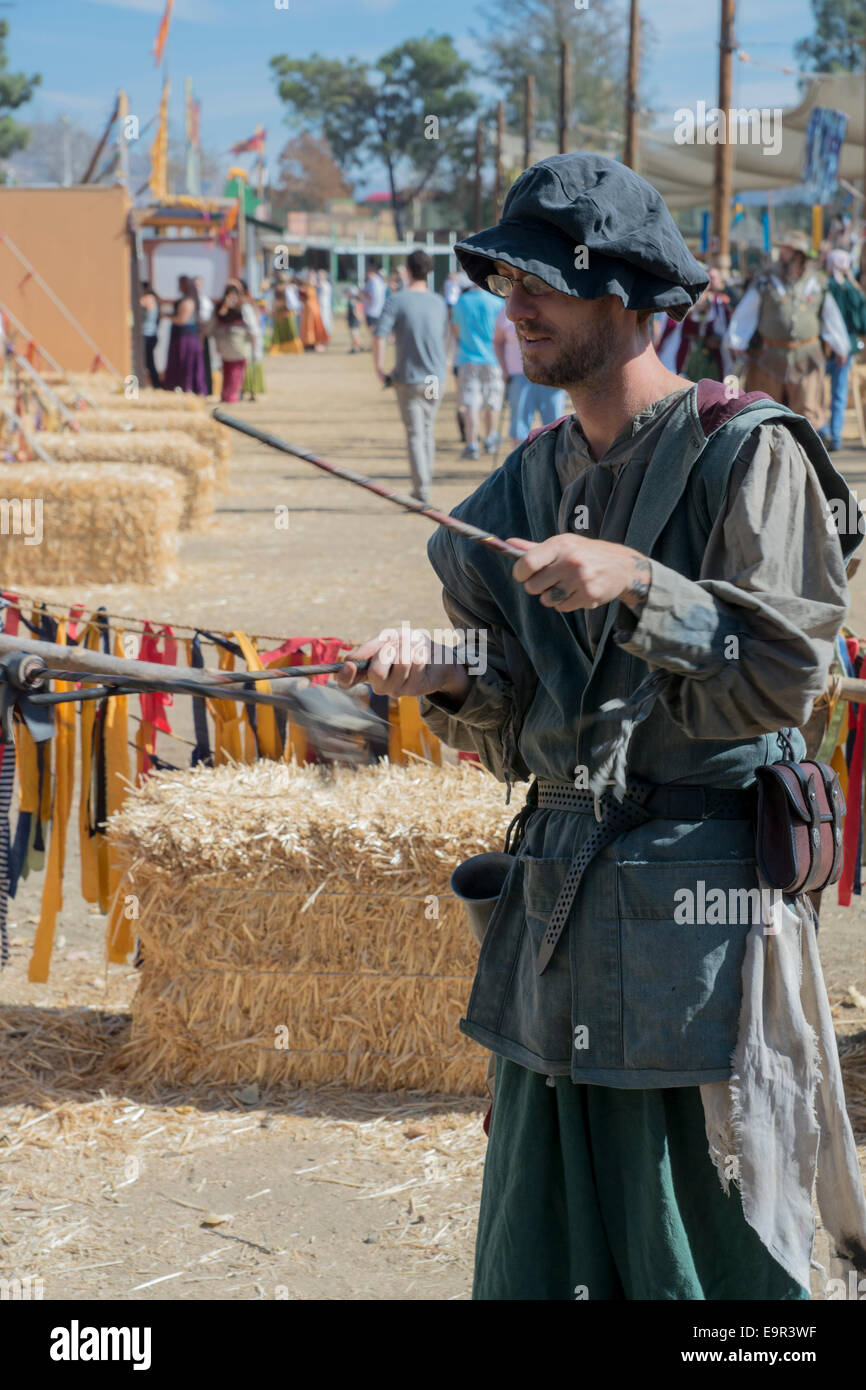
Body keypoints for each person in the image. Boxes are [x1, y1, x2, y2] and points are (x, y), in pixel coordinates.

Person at [337, 152, 866, 1302]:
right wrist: (444, 672)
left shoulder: (746, 452)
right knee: (543, 1257)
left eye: (538, 283)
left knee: (706, 1266)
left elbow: (781, 678)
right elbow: (518, 714)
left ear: (623, 296)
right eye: (501, 282)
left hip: (699, 939)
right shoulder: (517, 488)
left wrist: (638, 577)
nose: (509, 307)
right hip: (555, 931)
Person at [723, 230, 849, 430]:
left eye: (786, 250)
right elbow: (747, 311)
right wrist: (737, 341)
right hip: (769, 357)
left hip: (807, 359)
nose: (780, 254)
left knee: (806, 416)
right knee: (766, 413)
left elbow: (830, 316)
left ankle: (803, 457)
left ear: (799, 255)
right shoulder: (765, 280)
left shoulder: (817, 282)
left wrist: (840, 346)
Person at [373, 248, 448, 505]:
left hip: (409, 376)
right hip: (435, 375)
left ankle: (422, 488)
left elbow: (379, 335)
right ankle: (424, 481)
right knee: (427, 429)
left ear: (407, 270)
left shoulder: (397, 300)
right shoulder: (439, 301)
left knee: (415, 433)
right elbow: (444, 337)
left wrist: (379, 369)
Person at [494, 302, 566, 447]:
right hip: (519, 375)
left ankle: (556, 466)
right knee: (519, 424)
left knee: (556, 424)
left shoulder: (554, 307)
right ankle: (520, 466)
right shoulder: (507, 310)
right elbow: (498, 342)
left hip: (552, 375)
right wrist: (504, 369)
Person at [451, 276, 504, 459]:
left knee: (471, 403)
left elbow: (456, 329)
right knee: (492, 400)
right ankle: (490, 438)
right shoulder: (497, 301)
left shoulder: (461, 301)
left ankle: (472, 443)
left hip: (467, 358)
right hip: (493, 358)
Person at [822, 248, 866, 451]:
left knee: (818, 391)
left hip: (825, 347)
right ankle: (834, 435)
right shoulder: (852, 290)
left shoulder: (825, 286)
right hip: (843, 347)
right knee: (838, 392)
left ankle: (824, 431)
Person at [206, 283, 254, 403]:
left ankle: (226, 395)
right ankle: (231, 395)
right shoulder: (243, 307)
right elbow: (252, 326)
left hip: (222, 341)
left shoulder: (220, 306)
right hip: (237, 341)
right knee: (236, 369)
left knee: (228, 368)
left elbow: (212, 324)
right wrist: (254, 341)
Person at [163, 274, 207, 395]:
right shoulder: (189, 299)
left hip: (185, 338)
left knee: (185, 365)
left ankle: (187, 389)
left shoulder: (188, 301)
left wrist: (167, 316)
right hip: (184, 337)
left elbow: (182, 319)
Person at [268, 273, 303, 355]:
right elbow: (291, 301)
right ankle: (292, 349)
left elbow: (271, 301)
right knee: (290, 332)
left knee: (278, 333)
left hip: (278, 313)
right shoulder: (288, 289)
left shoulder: (275, 289)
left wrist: (271, 309)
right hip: (286, 313)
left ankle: (277, 349)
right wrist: (295, 309)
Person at [299, 271, 329, 352]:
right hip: (309, 308)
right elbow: (302, 297)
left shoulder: (315, 286)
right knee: (309, 325)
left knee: (314, 325)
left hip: (313, 308)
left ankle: (315, 342)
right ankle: (309, 342)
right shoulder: (307, 287)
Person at [195, 275, 214, 397]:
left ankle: (205, 389)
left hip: (202, 334)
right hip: (193, 334)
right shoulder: (192, 299)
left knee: (204, 363)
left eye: (197, 284)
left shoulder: (204, 301)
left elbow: (207, 319)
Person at [139, 281, 161, 390]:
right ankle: (156, 384)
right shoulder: (153, 298)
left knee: (148, 362)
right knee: (148, 362)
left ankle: (156, 385)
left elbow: (134, 304)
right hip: (150, 334)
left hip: (147, 335)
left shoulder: (148, 298)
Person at [362, 262, 387, 342]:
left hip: (372, 310)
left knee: (372, 329)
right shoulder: (380, 281)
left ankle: (376, 343)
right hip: (378, 310)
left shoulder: (372, 282)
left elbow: (371, 296)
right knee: (375, 329)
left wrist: (361, 293)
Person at [346, 287, 364, 353]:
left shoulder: (352, 301)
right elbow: (360, 310)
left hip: (353, 321)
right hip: (355, 321)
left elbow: (355, 311)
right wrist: (360, 318)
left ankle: (356, 348)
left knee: (354, 335)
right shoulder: (357, 301)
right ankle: (360, 346)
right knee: (356, 334)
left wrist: (359, 318)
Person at [317, 269, 333, 336]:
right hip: (319, 306)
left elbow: (321, 296)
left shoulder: (326, 285)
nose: (319, 277)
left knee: (325, 322)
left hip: (324, 306)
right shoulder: (320, 284)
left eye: (320, 276)